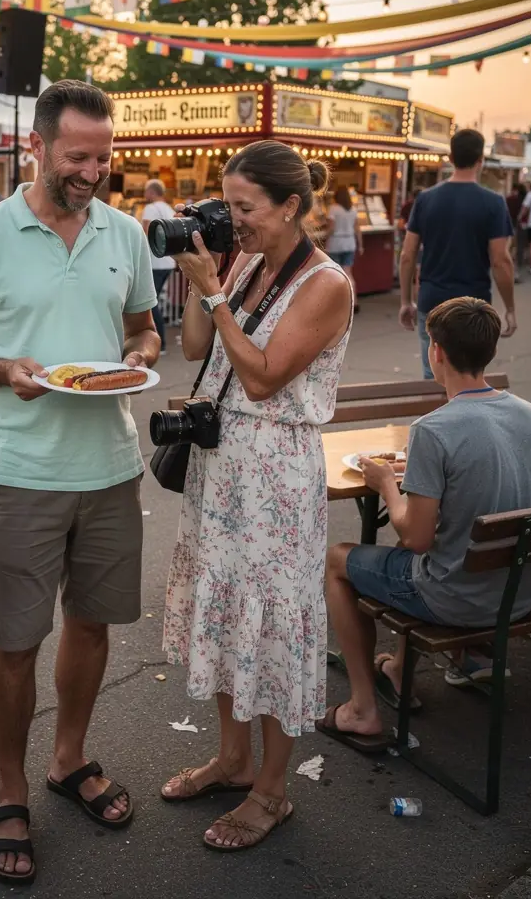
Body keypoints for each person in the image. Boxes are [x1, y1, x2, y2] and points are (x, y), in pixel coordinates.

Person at [0, 80, 159, 885]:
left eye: (103, 156)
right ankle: (7, 790)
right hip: (24, 470)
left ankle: (68, 759)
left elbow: (142, 326)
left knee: (93, 625)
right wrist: (5, 370)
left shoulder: (125, 233)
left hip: (109, 464)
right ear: (35, 145)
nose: (93, 171)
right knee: (13, 641)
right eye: (77, 157)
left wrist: (140, 357)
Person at [159, 142, 353, 850]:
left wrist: (214, 290)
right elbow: (192, 349)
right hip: (221, 468)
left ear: (292, 207)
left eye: (245, 208)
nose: (231, 220)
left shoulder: (325, 284)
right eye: (227, 203)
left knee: (269, 627)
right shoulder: (242, 263)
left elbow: (266, 375)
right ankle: (232, 759)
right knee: (226, 612)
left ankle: (271, 794)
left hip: (274, 472)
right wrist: (198, 282)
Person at [322, 298, 531, 748]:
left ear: (436, 352)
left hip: (456, 599)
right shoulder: (529, 413)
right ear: (489, 352)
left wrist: (388, 484)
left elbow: (415, 538)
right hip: (521, 592)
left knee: (337, 560)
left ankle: (362, 709)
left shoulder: (433, 429)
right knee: (424, 556)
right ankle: (395, 670)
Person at [399, 129, 516, 379]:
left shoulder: (425, 200)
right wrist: (510, 308)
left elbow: (407, 255)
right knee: (471, 377)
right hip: (475, 306)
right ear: (480, 160)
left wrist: (405, 301)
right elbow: (500, 260)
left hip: (432, 301)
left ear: (450, 157)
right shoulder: (493, 203)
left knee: (433, 376)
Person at [141, 178, 176, 354]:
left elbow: (144, 232)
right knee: (154, 302)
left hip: (154, 262)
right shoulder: (169, 209)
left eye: (146, 191)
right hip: (168, 261)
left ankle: (158, 343)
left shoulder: (150, 208)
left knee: (150, 303)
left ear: (152, 192)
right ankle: (158, 342)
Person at [324, 185, 363, 309]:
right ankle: (354, 302)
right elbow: (357, 229)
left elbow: (331, 228)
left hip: (336, 243)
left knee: (335, 274)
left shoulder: (333, 209)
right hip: (350, 243)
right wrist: (361, 245)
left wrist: (324, 239)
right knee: (348, 273)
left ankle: (335, 304)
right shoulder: (353, 209)